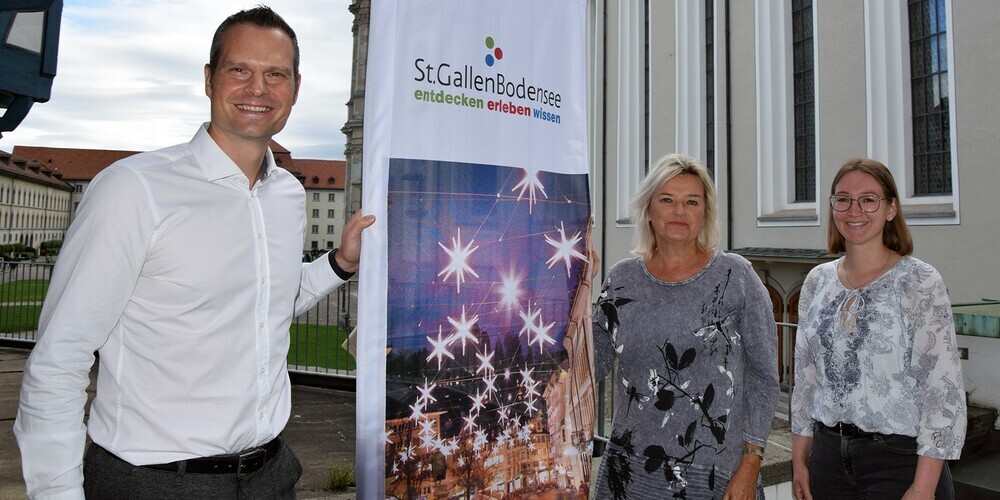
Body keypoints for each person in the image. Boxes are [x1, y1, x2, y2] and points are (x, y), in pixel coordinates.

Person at [13, 6, 375, 499]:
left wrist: (340, 264)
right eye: (239, 70)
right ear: (209, 79)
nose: (258, 89)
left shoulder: (287, 194)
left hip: (271, 475)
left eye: (275, 74)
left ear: (295, 87)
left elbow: (268, 304)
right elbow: (59, 360)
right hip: (156, 482)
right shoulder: (134, 189)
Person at [592, 154, 779, 499]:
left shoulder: (735, 277)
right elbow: (590, 367)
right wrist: (576, 288)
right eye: (667, 200)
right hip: (629, 474)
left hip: (715, 477)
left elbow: (764, 378)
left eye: (691, 202)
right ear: (648, 211)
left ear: (704, 214)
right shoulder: (621, 281)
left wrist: (751, 464)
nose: (679, 211)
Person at [790, 158, 966, 500]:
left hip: (899, 462)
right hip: (827, 460)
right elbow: (806, 378)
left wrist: (923, 487)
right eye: (843, 199)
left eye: (869, 199)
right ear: (833, 207)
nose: (854, 209)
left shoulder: (919, 280)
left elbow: (942, 388)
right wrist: (800, 458)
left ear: (890, 208)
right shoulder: (816, 282)